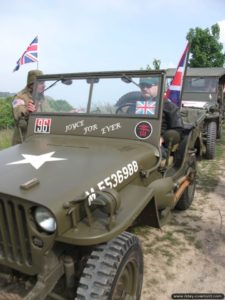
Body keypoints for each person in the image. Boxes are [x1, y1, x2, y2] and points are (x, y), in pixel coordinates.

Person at [11, 69, 46, 145]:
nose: (44, 85)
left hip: (38, 140)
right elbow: (19, 112)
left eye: (44, 82)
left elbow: (50, 112)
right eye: (41, 83)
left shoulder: (41, 98)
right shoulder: (20, 97)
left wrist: (68, 112)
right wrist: (28, 111)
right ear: (31, 84)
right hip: (23, 141)